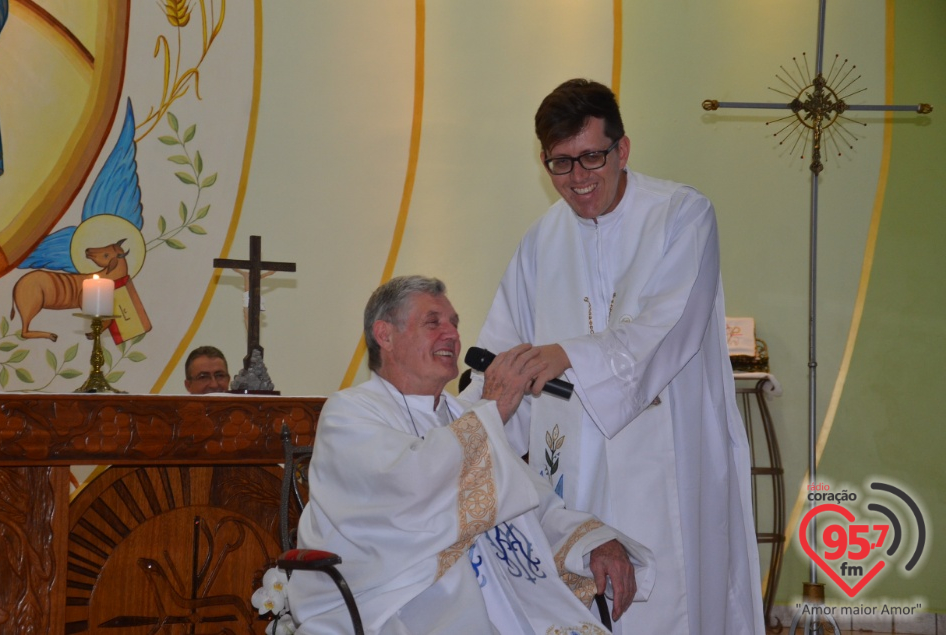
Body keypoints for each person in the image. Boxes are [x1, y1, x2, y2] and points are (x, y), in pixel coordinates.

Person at [461, 79, 764, 634]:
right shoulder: (539, 243)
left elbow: (668, 328)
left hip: (669, 463)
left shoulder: (682, 215)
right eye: (560, 164)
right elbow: (503, 356)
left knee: (679, 607)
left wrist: (565, 355)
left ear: (622, 150)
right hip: (577, 479)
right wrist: (460, 435)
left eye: (592, 158)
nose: (577, 179)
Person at [285, 275, 654, 635]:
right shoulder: (349, 412)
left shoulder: (463, 416)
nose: (453, 335)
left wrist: (595, 542)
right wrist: (492, 410)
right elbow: (407, 491)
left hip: (503, 591)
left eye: (455, 324)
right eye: (433, 323)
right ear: (385, 335)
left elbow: (534, 504)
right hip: (403, 597)